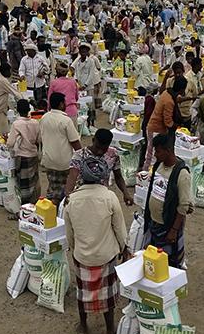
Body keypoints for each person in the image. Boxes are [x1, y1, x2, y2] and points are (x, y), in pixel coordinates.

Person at [63, 155, 128, 334]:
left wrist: (75, 250)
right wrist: (124, 247)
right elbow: (119, 228)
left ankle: (83, 326)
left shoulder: (72, 200)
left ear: (82, 176)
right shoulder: (109, 197)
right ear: (103, 176)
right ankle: (109, 331)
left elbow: (70, 232)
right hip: (105, 255)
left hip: (83, 255)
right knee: (107, 296)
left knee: (83, 293)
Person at [142, 132, 193, 268]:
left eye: (158, 151)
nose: (155, 155)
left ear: (168, 151)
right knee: (153, 262)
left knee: (168, 264)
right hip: (154, 223)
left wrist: (174, 230)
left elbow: (183, 206)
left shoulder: (181, 174)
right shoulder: (159, 165)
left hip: (168, 226)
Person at [65, 128, 133, 204]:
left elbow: (118, 176)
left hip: (102, 197)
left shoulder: (113, 155)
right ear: (93, 140)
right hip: (82, 196)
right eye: (97, 147)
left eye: (104, 149)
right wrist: (68, 195)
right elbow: (72, 176)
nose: (99, 151)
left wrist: (126, 193)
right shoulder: (80, 155)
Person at [40, 92, 82, 205]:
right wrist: (82, 156)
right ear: (60, 104)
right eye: (64, 102)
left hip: (48, 160)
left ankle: (48, 209)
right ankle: (58, 212)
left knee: (53, 187)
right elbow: (75, 142)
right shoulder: (66, 120)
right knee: (64, 190)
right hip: (63, 162)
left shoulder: (44, 118)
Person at [143, 76, 185, 170]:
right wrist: (177, 126)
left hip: (155, 128)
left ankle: (146, 174)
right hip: (156, 129)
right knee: (153, 156)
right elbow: (168, 122)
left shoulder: (167, 93)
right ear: (182, 89)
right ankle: (148, 176)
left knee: (150, 154)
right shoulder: (169, 101)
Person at [7, 99, 42, 205]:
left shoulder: (16, 124)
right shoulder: (35, 123)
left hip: (22, 156)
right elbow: (39, 140)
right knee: (34, 179)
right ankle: (34, 201)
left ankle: (24, 206)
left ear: (17, 110)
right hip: (33, 154)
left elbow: (10, 143)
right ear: (28, 110)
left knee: (24, 182)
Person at [0, 63, 19, 139]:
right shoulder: (2, 80)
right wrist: (26, 101)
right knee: (1, 132)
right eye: (9, 71)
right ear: (5, 71)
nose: (10, 73)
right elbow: (15, 92)